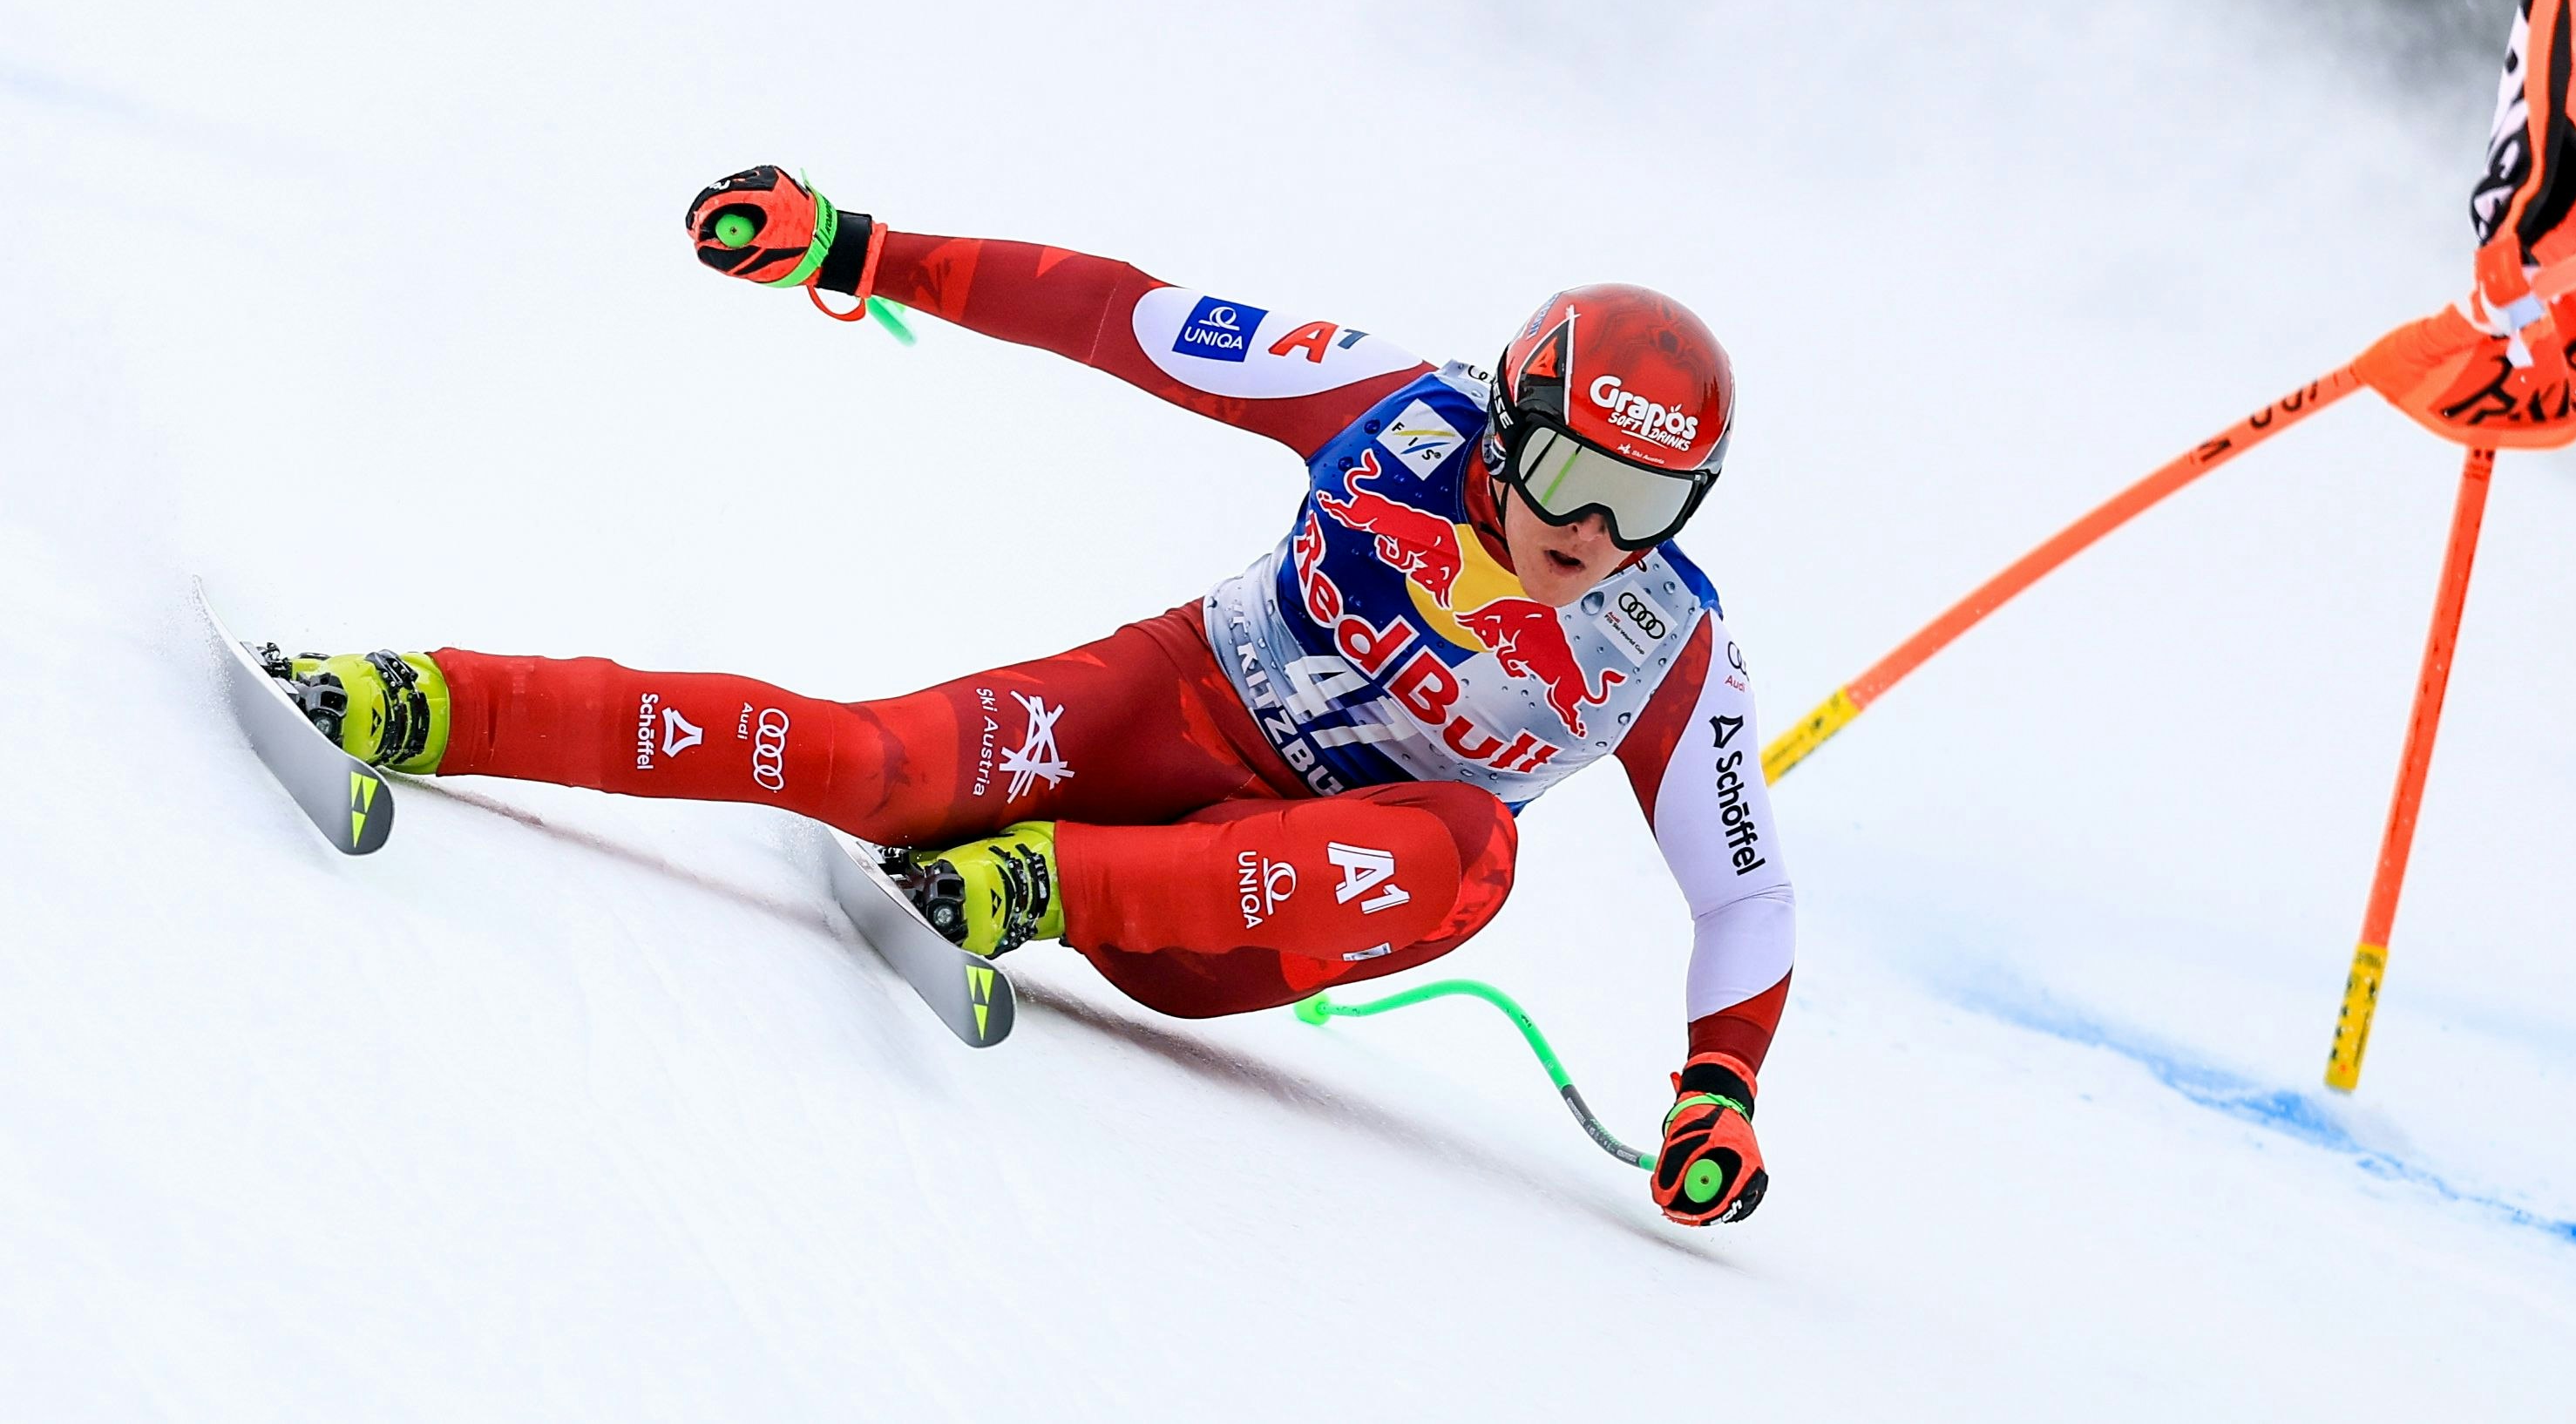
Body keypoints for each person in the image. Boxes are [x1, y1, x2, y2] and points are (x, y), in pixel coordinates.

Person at [268, 166, 1793, 1225]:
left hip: (1227, 924)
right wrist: (857, 249)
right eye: (1575, 473)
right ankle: (424, 701)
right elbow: (1121, 315)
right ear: (1510, 413)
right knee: (867, 762)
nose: (1592, 534)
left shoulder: (1668, 640)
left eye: (1651, 504)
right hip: (1172, 705)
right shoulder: (1391, 401)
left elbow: (1743, 895)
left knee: (1476, 849)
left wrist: (1718, 1090)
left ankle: (1039, 884)